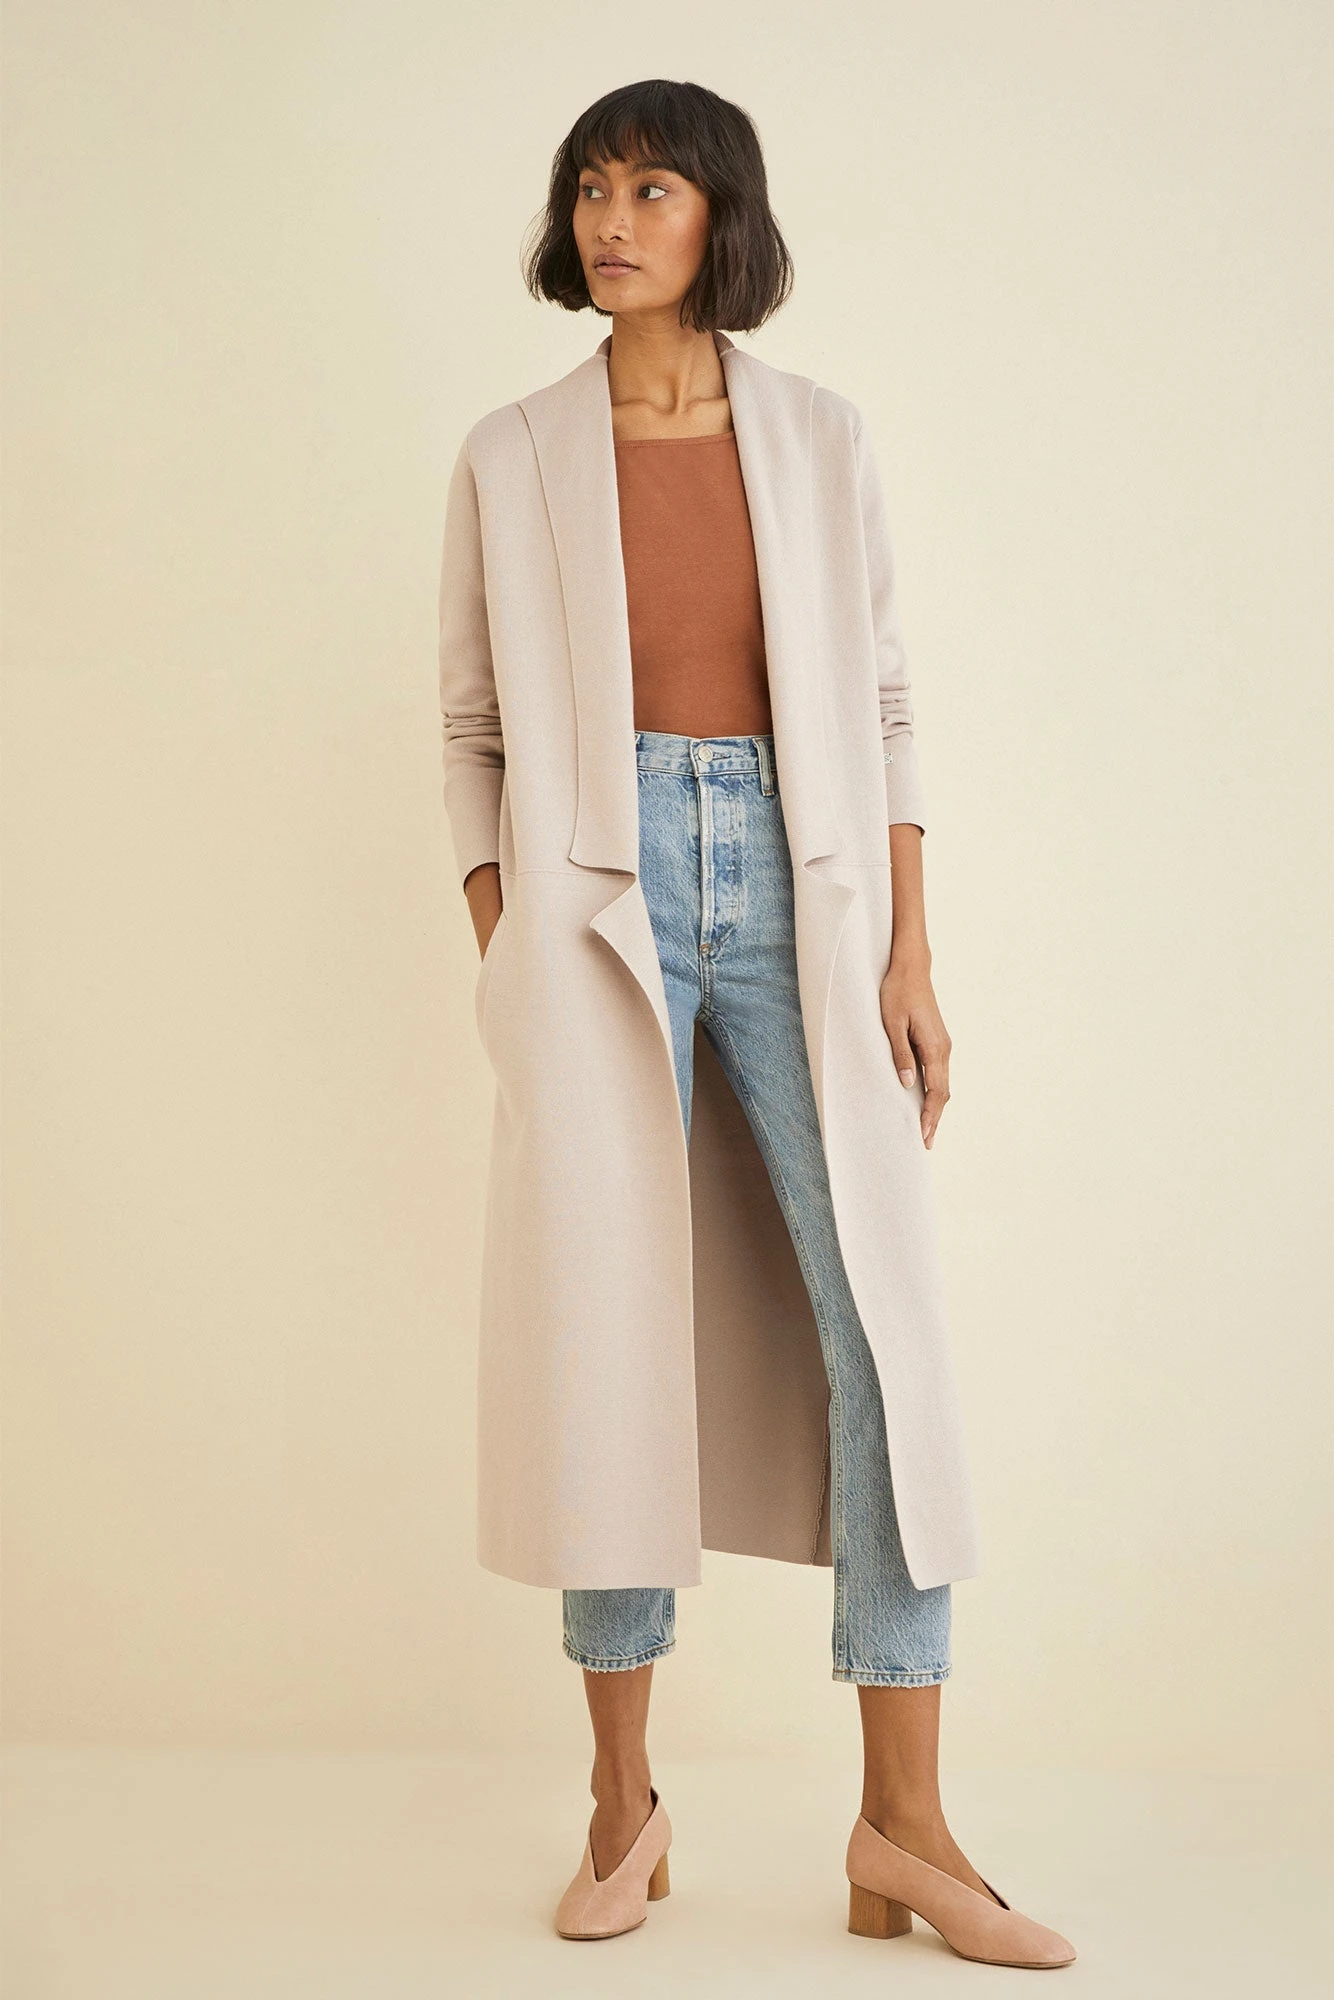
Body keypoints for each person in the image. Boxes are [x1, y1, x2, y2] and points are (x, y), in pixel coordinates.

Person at [436, 78, 1076, 1968]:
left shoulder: (816, 436)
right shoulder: (510, 452)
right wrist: (506, 944)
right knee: (607, 1344)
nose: (611, 217)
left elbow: (880, 702)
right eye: (589, 186)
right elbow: (469, 727)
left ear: (722, 215)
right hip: (596, 895)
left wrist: (910, 952)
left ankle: (904, 1826)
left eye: (653, 187)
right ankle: (621, 1809)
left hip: (803, 894)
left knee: (882, 1332)